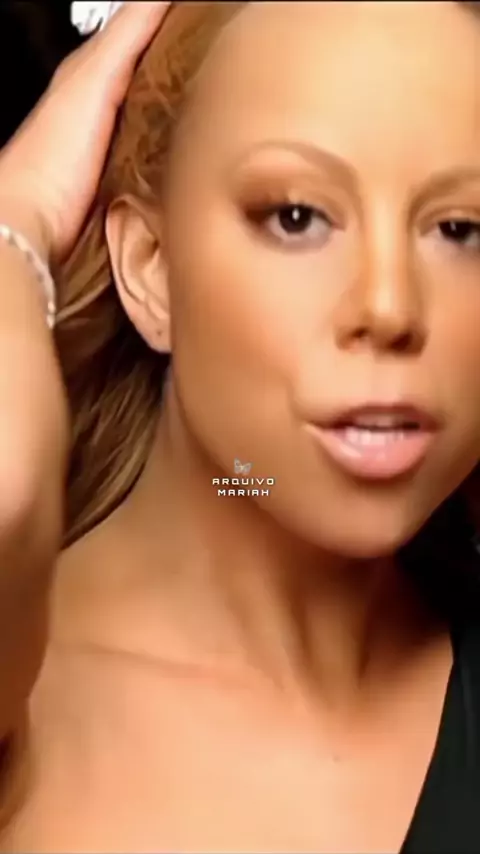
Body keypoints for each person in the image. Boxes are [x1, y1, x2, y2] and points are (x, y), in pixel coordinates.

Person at [0, 0, 479, 850]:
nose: (389, 307)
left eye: (459, 229)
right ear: (151, 268)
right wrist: (19, 215)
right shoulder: (22, 690)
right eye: (296, 217)